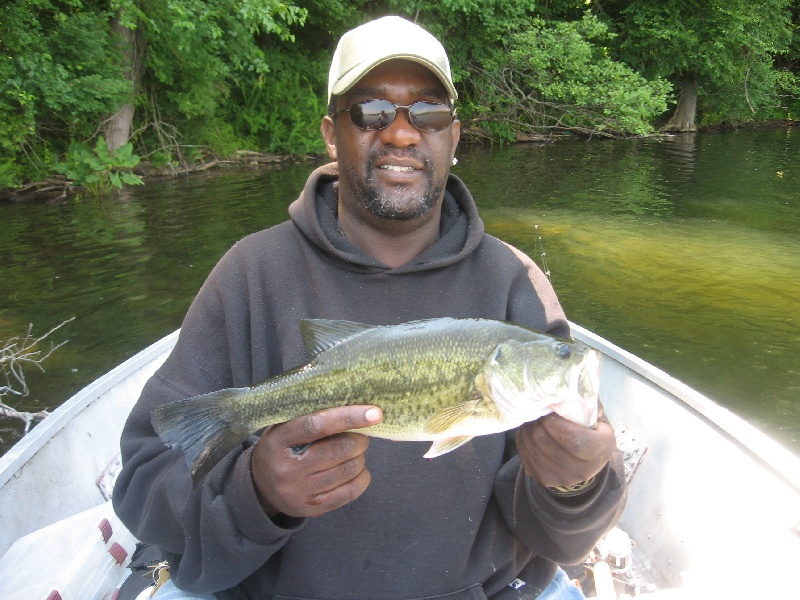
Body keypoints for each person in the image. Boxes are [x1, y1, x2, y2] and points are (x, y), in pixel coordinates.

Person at [113, 15, 626, 600]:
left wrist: (574, 484)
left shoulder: (515, 285)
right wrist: (256, 492)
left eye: (427, 113)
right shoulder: (251, 275)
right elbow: (144, 486)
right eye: (373, 111)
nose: (402, 134)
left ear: (453, 137)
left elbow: (563, 541)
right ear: (333, 134)